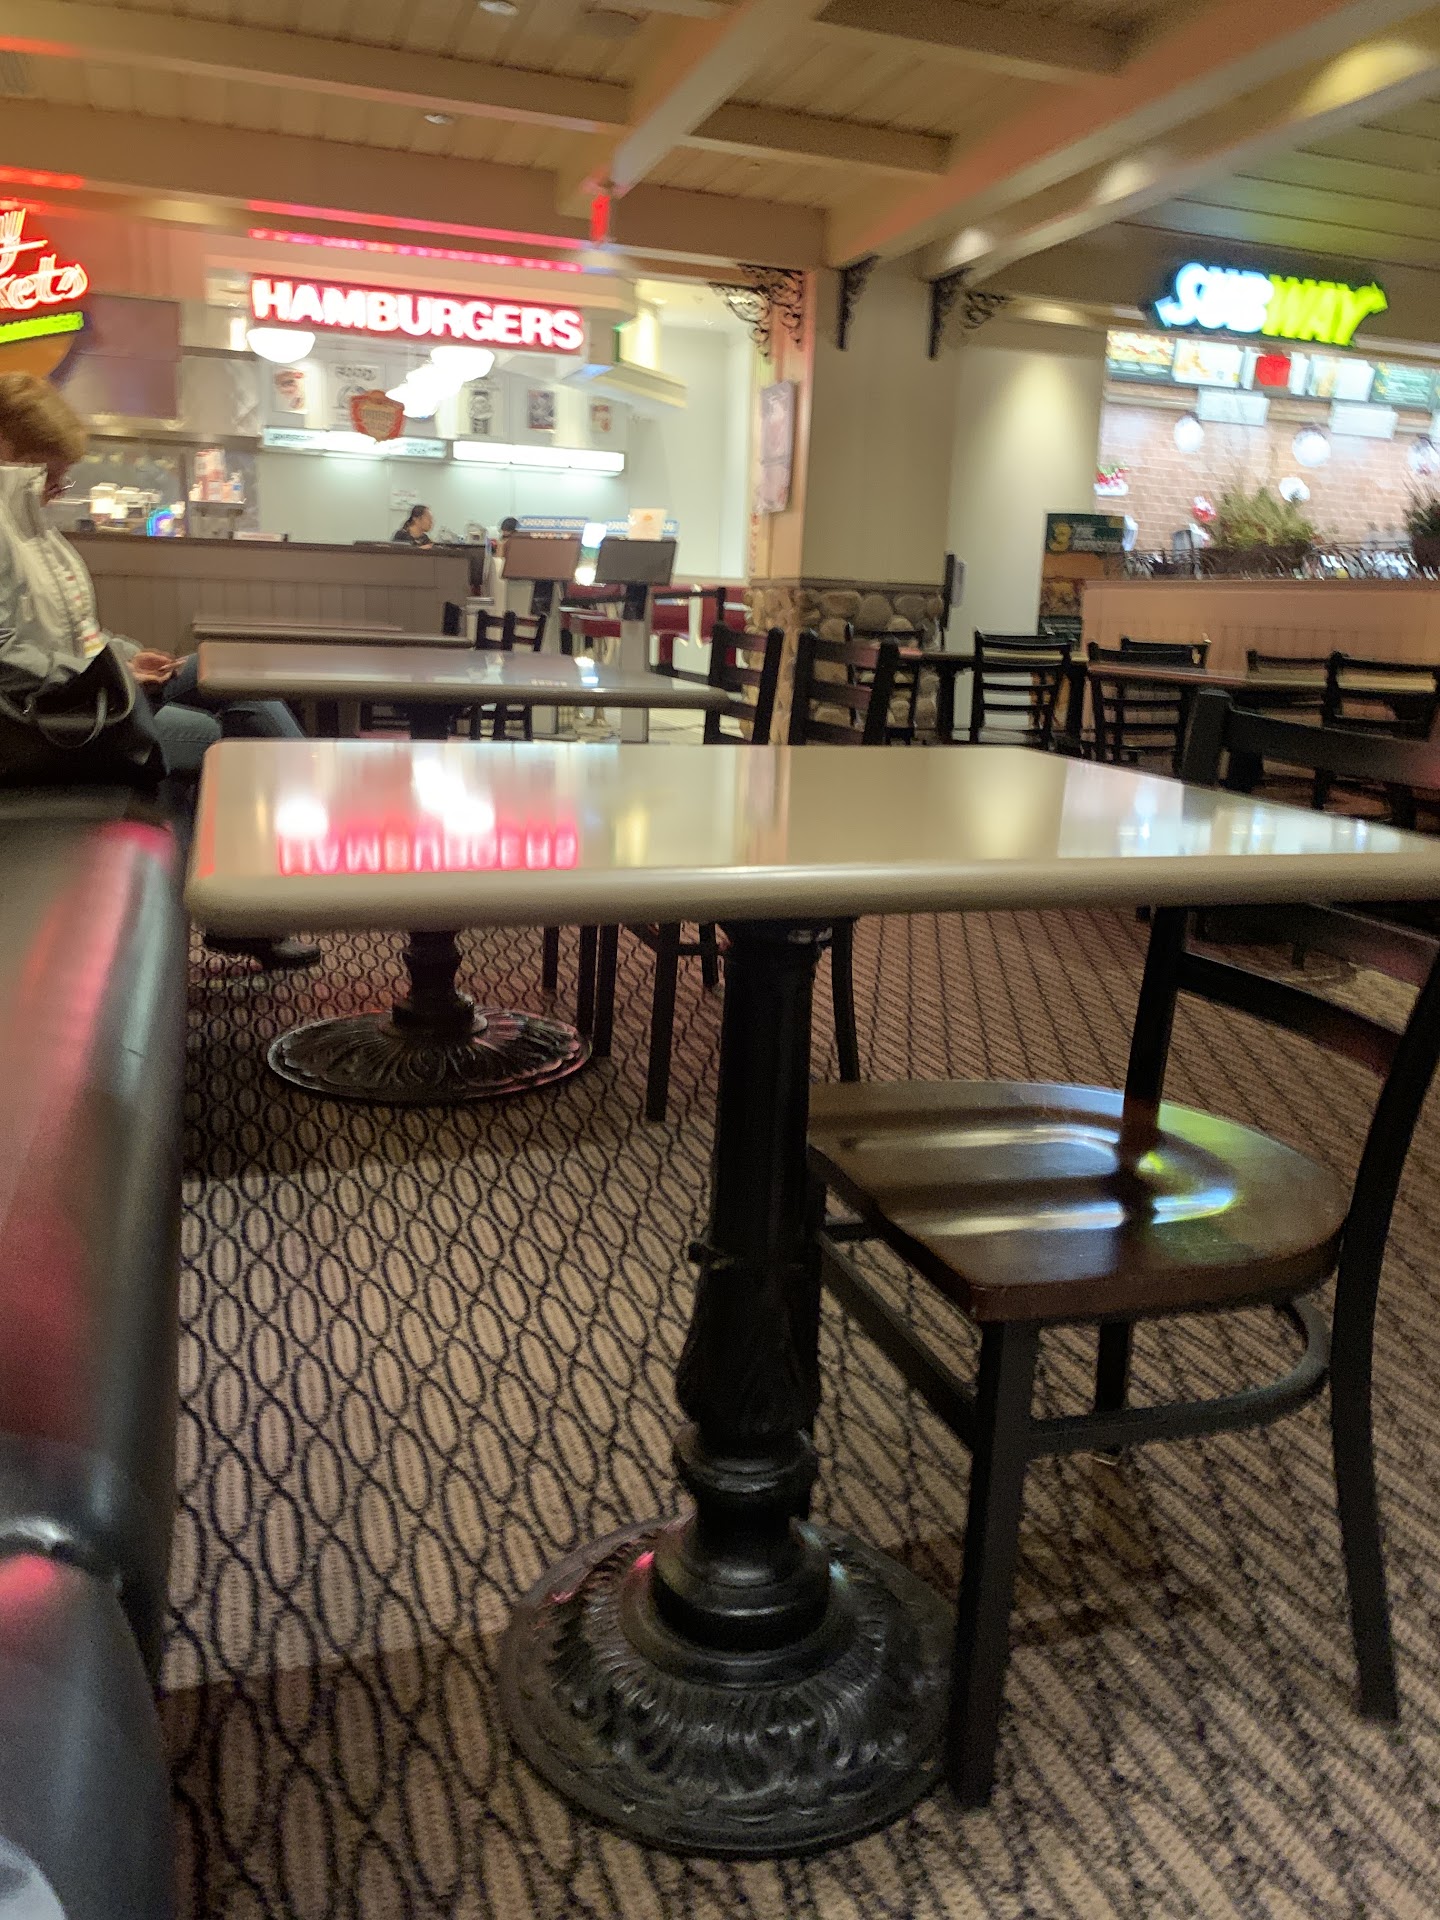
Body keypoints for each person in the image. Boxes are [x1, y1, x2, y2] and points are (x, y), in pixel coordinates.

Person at [0, 372, 317, 970]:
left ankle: (266, 889)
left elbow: (71, 628)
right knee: (226, 734)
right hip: (47, 726)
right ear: (5, 448)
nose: (60, 485)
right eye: (51, 469)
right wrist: (103, 671)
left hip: (81, 699)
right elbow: (12, 658)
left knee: (244, 687)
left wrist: (122, 654)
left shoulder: (25, 525)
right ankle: (262, 894)